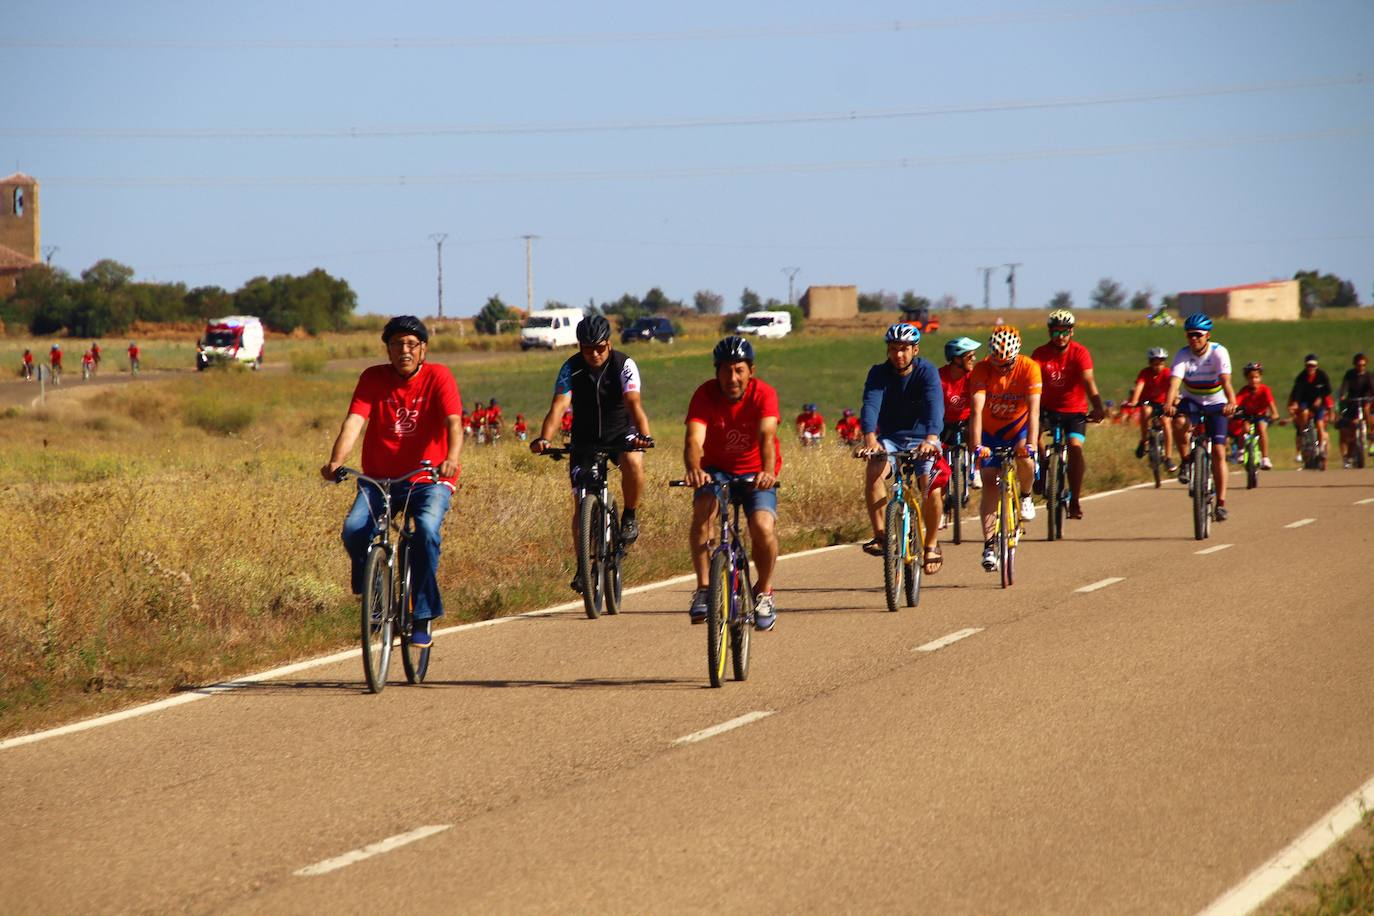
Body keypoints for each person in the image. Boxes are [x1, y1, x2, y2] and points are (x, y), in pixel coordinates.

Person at [320, 315, 463, 650]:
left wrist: (451, 458)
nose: (404, 350)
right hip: (379, 480)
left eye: (412, 344)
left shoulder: (439, 376)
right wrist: (337, 461)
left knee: (425, 530)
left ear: (423, 349)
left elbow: (454, 423)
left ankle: (423, 614)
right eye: (397, 344)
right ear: (387, 349)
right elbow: (354, 422)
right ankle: (374, 593)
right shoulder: (373, 378)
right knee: (355, 529)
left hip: (429, 478)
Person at [531, 315, 653, 594]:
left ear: (609, 344)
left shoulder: (624, 365)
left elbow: (633, 402)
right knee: (581, 500)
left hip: (621, 431)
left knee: (633, 461)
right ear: (580, 347)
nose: (594, 354)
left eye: (599, 348)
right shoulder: (570, 368)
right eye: (588, 349)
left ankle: (630, 515)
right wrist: (544, 438)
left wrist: (643, 435)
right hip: (585, 436)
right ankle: (582, 566)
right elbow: (559, 406)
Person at [683, 336, 782, 630]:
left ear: (751, 370)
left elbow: (767, 436)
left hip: (756, 471)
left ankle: (764, 592)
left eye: (739, 370)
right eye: (725, 370)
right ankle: (703, 588)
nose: (732, 377)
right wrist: (694, 469)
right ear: (716, 371)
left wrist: (766, 471)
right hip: (715, 470)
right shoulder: (704, 395)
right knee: (703, 511)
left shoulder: (764, 394)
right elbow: (693, 439)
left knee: (762, 526)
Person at [858, 324, 946, 574]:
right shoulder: (878, 373)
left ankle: (930, 545)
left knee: (930, 485)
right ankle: (881, 536)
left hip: (923, 439)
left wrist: (931, 438)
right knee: (874, 468)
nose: (899, 355)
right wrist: (870, 439)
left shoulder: (926, 372)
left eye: (905, 349)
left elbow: (934, 406)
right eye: (894, 349)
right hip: (890, 439)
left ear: (915, 349)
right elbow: (870, 405)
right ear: (888, 350)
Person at [969, 326, 1042, 572]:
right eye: (997, 364)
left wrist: (1031, 444)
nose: (1002, 369)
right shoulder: (981, 369)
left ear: (1016, 356)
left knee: (1025, 458)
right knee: (990, 481)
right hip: (990, 431)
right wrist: (977, 446)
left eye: (1007, 364)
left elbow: (1034, 411)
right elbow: (976, 410)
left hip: (1018, 428)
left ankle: (1026, 495)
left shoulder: (1030, 367)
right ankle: (989, 545)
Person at [1030, 309, 1105, 520]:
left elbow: (1089, 382)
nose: (1060, 337)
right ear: (1049, 333)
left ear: (1071, 332)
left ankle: (1075, 499)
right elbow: (1030, 382)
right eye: (1055, 333)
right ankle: (1042, 466)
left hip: (1075, 412)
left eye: (1064, 332)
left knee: (1075, 447)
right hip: (1047, 409)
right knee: (1033, 438)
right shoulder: (1040, 354)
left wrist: (1098, 407)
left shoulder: (1080, 353)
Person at [1164, 313, 1237, 521]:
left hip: (1217, 403)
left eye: (1197, 335)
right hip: (1192, 401)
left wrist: (1232, 403)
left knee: (1219, 452)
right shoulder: (1183, 355)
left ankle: (1221, 503)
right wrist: (1168, 404)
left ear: (1207, 335)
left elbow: (1226, 381)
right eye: (1189, 335)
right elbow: (1174, 384)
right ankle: (1187, 460)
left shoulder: (1219, 352)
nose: (1193, 339)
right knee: (1178, 422)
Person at [1124, 346, 1176, 472]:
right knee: (1145, 411)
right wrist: (1134, 401)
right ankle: (1144, 441)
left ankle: (1168, 457)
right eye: (1155, 363)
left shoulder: (1167, 373)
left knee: (1166, 422)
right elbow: (1139, 386)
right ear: (1150, 363)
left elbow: (1173, 388)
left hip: (1164, 403)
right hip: (1148, 402)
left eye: (1161, 363)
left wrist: (1173, 402)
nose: (1158, 366)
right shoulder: (1145, 373)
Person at [940, 336, 982, 489]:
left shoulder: (973, 377)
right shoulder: (940, 377)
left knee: (975, 432)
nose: (974, 359)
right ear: (957, 359)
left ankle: (976, 470)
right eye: (970, 356)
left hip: (965, 422)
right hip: (944, 424)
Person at [1229, 361, 1278, 468]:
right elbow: (1236, 403)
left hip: (1261, 416)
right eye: (1251, 378)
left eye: (1256, 377)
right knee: (1245, 428)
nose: (1254, 380)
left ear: (1260, 377)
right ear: (1247, 379)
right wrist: (1232, 412)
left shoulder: (1265, 390)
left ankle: (1265, 458)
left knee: (1261, 428)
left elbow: (1271, 403)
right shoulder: (1244, 391)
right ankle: (1241, 451)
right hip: (1248, 416)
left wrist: (1274, 414)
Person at [1288, 354, 1334, 464]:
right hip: (1305, 402)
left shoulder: (1322, 376)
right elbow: (1297, 391)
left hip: (1319, 403)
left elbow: (1328, 389)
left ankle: (1321, 447)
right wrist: (1295, 403)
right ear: (1305, 366)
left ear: (1316, 366)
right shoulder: (1301, 377)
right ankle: (1303, 431)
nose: (1311, 368)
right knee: (1304, 412)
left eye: (1313, 366)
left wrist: (1320, 398)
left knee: (1319, 424)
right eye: (1309, 366)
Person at [1337, 352, 1374, 466]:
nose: (1361, 367)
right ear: (1355, 364)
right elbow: (1344, 386)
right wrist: (1343, 395)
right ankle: (1353, 450)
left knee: (1367, 408)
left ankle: (1369, 432)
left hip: (1366, 400)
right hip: (1352, 401)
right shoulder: (1350, 375)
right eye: (1358, 365)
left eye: (1363, 365)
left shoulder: (1368, 375)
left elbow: (1372, 387)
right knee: (1351, 426)